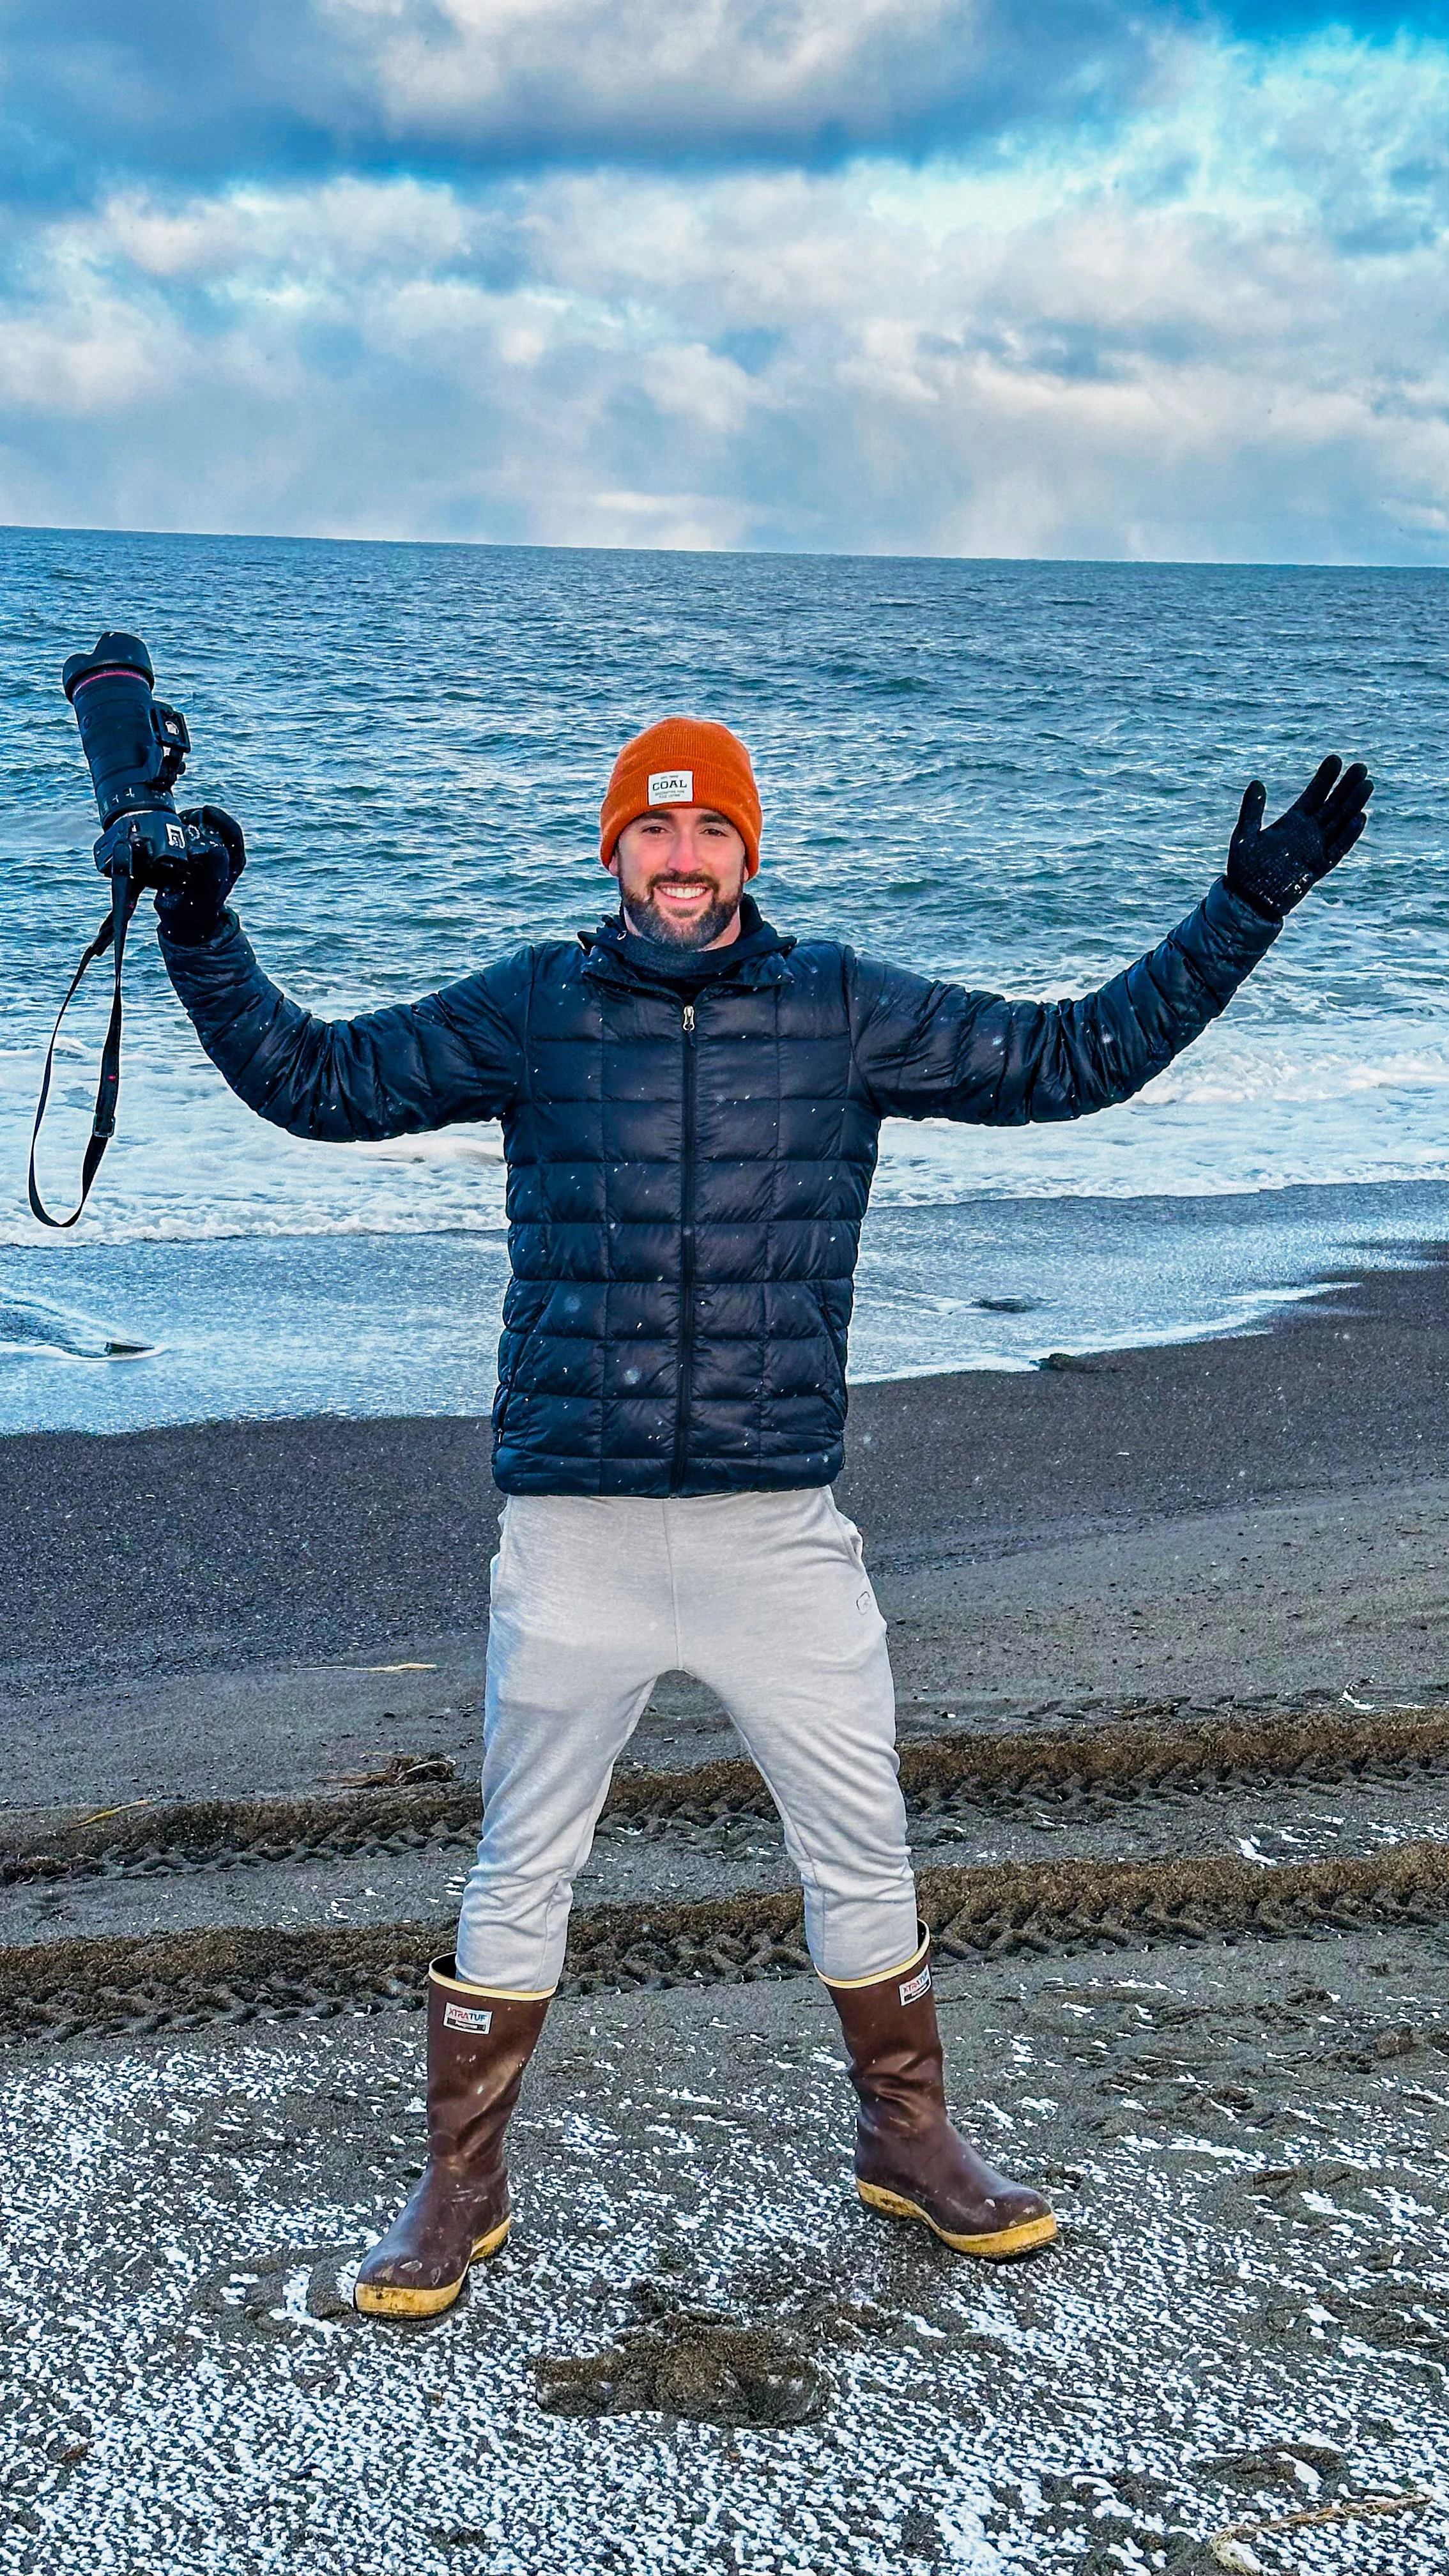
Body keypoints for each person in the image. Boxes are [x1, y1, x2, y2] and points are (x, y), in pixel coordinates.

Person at [157, 717, 1372, 2317]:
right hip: (576, 1532)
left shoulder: (841, 1005)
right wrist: (199, 923)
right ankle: (459, 2184)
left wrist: (1247, 910)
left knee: (861, 1848)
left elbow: (1074, 1059)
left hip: (778, 1529)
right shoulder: (533, 1006)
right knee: (520, 1867)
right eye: (654, 833)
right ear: (616, 851)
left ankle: (908, 2138)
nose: (682, 860)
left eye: (710, 832)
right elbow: (313, 1081)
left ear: (747, 850)